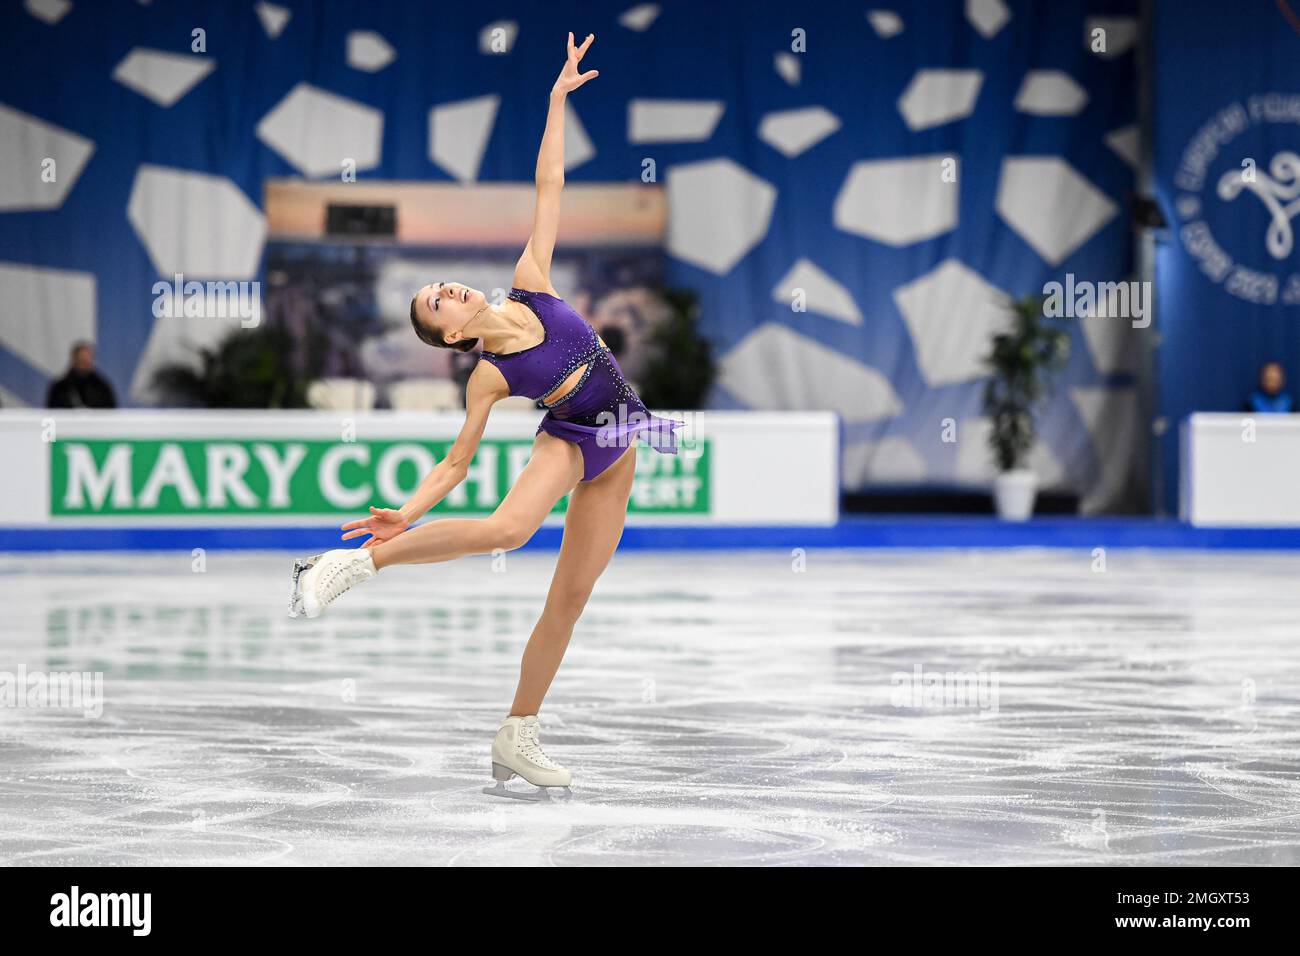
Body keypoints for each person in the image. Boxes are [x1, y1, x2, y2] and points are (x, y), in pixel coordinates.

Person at [289, 33, 681, 799]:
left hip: (622, 445)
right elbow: (456, 462)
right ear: (455, 337)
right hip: (570, 442)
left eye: (443, 285)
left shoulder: (531, 282)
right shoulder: (490, 377)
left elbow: (550, 183)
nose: (451, 290)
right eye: (440, 304)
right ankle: (351, 567)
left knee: (568, 600)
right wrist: (404, 513)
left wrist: (555, 100)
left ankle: (516, 736)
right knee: (508, 528)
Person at [46, 342, 117, 408]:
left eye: (86, 361)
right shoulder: (60, 388)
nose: (83, 365)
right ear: (73, 360)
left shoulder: (102, 388)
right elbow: (52, 415)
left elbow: (110, 415)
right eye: (81, 361)